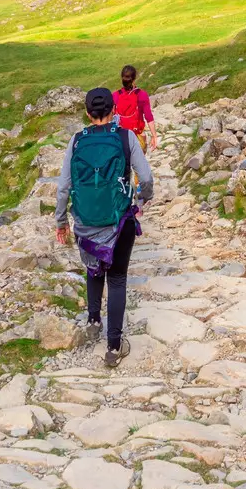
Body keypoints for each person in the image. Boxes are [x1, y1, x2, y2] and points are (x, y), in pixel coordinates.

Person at [54, 85, 153, 367]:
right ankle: (113, 346)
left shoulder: (76, 141)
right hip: (119, 220)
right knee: (118, 278)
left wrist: (61, 221)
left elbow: (63, 188)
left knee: (93, 270)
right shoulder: (126, 137)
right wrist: (144, 199)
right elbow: (145, 177)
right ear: (114, 110)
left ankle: (94, 321)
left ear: (87, 112)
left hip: (85, 222)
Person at [113, 64, 157, 152]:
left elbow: (111, 117)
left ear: (122, 78)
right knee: (139, 163)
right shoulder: (142, 95)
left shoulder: (115, 95)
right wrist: (154, 136)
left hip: (120, 137)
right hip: (138, 136)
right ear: (134, 78)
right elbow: (148, 117)